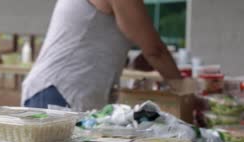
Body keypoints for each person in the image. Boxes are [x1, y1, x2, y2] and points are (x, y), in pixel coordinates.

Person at [22, 0, 182, 112]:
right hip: (60, 93)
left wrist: (134, 60)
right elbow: (155, 50)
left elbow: (94, 41)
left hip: (60, 92)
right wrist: (185, 93)